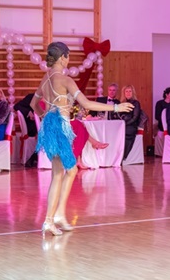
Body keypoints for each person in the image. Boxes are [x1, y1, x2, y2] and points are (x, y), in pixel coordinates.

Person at [32, 42, 133, 237]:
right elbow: (86, 103)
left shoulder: (46, 78)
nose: (68, 59)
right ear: (63, 57)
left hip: (50, 127)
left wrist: (45, 117)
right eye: (68, 56)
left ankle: (58, 215)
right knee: (65, 172)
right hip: (60, 127)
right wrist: (115, 107)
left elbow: (33, 103)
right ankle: (50, 219)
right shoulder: (65, 80)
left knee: (63, 172)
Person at [118, 85, 142, 160]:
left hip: (131, 126)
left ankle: (123, 157)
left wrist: (125, 124)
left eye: (130, 91)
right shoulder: (121, 103)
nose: (128, 93)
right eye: (126, 91)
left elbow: (135, 118)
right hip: (121, 125)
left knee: (126, 133)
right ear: (124, 93)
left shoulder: (136, 103)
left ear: (133, 93)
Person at [14, 93, 38, 167]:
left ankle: (35, 157)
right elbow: (16, 106)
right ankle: (36, 157)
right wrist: (28, 112)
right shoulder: (32, 96)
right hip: (32, 127)